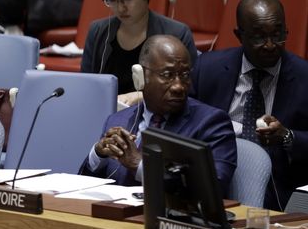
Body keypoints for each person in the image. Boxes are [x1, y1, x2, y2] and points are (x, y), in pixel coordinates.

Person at [191, 0, 308, 209]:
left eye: (277, 35)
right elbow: (186, 123)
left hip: (277, 192)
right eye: (259, 37)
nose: (270, 45)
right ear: (239, 35)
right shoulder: (208, 68)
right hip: (211, 181)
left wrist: (287, 136)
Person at [79, 35, 236, 195]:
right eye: (167, 75)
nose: (178, 87)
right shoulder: (118, 120)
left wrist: (140, 165)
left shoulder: (211, 123)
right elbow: (84, 191)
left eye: (185, 75)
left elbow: (215, 186)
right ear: (140, 77)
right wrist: (98, 155)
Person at [80, 0, 196, 105]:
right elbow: (86, 87)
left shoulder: (176, 35)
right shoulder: (98, 31)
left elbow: (190, 93)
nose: (121, 8)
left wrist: (141, 96)